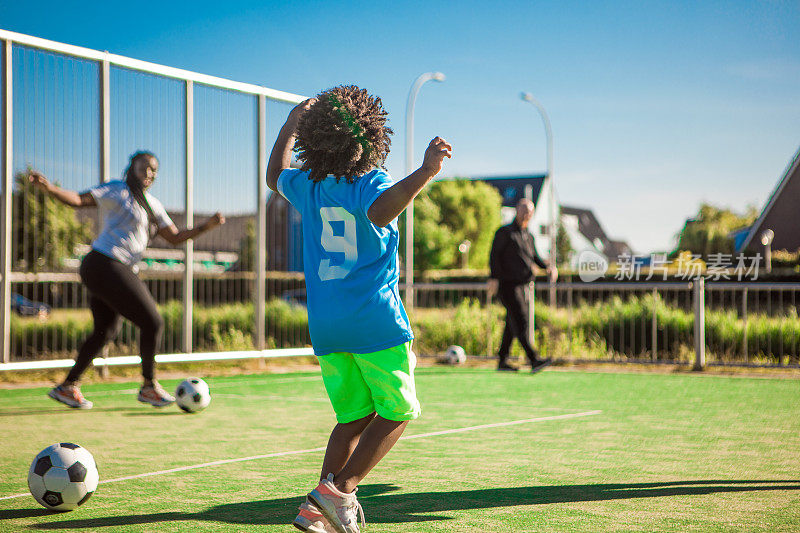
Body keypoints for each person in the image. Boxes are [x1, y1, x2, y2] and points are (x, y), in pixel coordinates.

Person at [266, 86, 451, 533]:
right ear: (370, 139)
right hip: (374, 320)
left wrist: (291, 121)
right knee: (398, 410)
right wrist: (426, 171)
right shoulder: (371, 180)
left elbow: (274, 174)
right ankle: (340, 490)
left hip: (327, 327)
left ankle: (318, 509)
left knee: (351, 418)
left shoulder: (309, 185)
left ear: (316, 140)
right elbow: (382, 212)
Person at [28, 151, 226, 409]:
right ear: (132, 167)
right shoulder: (117, 190)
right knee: (153, 322)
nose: (149, 173)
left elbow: (174, 237)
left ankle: (67, 386)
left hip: (112, 268)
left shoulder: (154, 205)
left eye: (154, 170)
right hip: (104, 263)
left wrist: (207, 226)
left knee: (106, 330)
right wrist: (49, 188)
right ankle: (148, 386)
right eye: (144, 167)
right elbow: (78, 200)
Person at [488, 198, 557, 373]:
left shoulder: (529, 235)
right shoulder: (505, 232)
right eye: (523, 210)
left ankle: (502, 361)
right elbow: (494, 256)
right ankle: (534, 359)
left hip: (523, 285)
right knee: (521, 319)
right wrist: (494, 278)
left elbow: (535, 257)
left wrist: (547, 268)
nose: (526, 213)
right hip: (507, 285)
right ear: (517, 211)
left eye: (529, 211)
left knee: (512, 324)